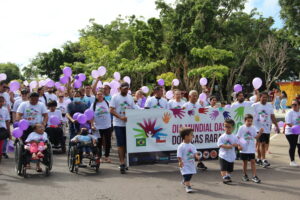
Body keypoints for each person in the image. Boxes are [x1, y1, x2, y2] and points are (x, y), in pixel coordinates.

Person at [110, 82, 135, 174]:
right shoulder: (115, 97)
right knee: (120, 145)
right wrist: (120, 117)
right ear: (120, 88)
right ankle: (121, 163)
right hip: (118, 124)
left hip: (128, 125)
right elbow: (111, 110)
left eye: (127, 88)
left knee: (127, 144)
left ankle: (126, 162)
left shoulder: (130, 97)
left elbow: (133, 108)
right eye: (124, 88)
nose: (126, 90)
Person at [252, 92, 280, 168]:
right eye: (263, 97)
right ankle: (264, 159)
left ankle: (258, 159)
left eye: (266, 97)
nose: (265, 99)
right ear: (260, 97)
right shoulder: (255, 105)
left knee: (260, 144)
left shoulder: (269, 105)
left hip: (267, 127)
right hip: (257, 128)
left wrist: (277, 126)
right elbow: (249, 115)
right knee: (262, 143)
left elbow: (272, 116)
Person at [182, 90, 207, 170]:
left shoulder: (199, 105)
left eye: (196, 95)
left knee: (197, 145)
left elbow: (203, 115)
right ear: (189, 96)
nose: (195, 97)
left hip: (198, 129)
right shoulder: (185, 105)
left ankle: (200, 162)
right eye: (194, 95)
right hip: (188, 130)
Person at [237, 114, 263, 183]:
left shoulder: (253, 128)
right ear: (245, 121)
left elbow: (255, 137)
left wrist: (260, 133)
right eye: (248, 121)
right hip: (244, 149)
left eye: (251, 121)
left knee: (253, 162)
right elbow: (238, 137)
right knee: (244, 162)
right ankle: (245, 175)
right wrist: (239, 145)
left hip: (251, 148)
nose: (250, 122)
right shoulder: (241, 128)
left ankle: (254, 176)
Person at [91, 88, 112, 163]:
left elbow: (112, 111)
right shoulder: (93, 104)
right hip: (98, 127)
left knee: (108, 142)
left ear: (103, 95)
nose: (99, 96)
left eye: (101, 94)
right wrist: (92, 124)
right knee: (99, 143)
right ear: (96, 96)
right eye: (98, 94)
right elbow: (91, 116)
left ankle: (107, 156)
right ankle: (99, 157)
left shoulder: (108, 103)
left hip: (108, 126)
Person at [217, 119, 241, 184]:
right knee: (223, 168)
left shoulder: (234, 137)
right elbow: (219, 145)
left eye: (229, 127)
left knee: (229, 169)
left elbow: (238, 144)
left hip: (231, 155)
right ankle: (224, 178)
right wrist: (226, 146)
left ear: (232, 128)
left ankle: (228, 176)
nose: (227, 128)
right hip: (223, 155)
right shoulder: (222, 137)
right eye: (225, 126)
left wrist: (237, 146)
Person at [177, 127, 200, 193]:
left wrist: (197, 156)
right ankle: (188, 186)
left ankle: (185, 181)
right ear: (186, 136)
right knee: (186, 174)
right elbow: (179, 155)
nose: (193, 136)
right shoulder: (181, 146)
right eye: (191, 135)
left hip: (191, 164)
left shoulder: (192, 146)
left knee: (190, 175)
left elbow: (195, 153)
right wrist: (180, 162)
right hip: (184, 164)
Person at [284, 99, 300, 167]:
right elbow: (288, 123)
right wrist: (295, 127)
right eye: (292, 104)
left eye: (295, 104)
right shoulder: (289, 113)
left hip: (298, 132)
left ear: (299, 105)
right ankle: (292, 161)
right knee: (293, 145)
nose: (293, 106)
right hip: (290, 132)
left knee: (299, 147)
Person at [0, 96, 11, 162]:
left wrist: (9, 133)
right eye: (0, 101)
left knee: (1, 148)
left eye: (2, 101)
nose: (1, 103)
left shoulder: (5, 110)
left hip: (2, 130)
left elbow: (7, 121)